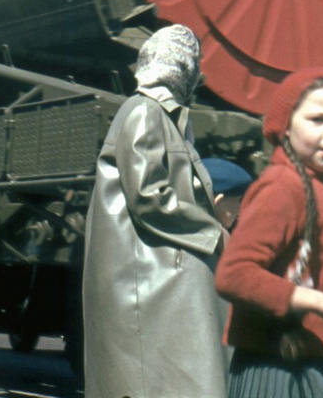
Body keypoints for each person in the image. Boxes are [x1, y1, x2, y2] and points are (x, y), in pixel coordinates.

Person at [215, 68, 323, 398]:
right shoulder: (283, 185)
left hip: (313, 363)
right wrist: (322, 303)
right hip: (278, 370)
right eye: (318, 119)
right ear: (286, 126)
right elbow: (233, 275)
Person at [83, 24, 227, 398]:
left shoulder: (158, 114)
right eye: (192, 62)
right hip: (153, 279)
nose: (197, 71)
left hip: (156, 275)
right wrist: (214, 236)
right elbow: (149, 196)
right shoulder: (146, 112)